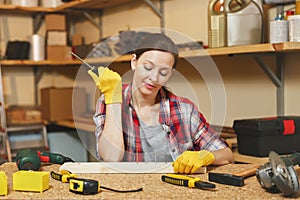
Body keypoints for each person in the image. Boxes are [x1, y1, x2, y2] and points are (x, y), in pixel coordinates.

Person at [88, 33, 234, 174]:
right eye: (148, 67)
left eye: (164, 73)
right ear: (134, 62)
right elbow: (111, 157)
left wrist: (206, 156)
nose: (154, 78)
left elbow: (227, 155)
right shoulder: (109, 100)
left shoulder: (184, 110)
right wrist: (113, 99)